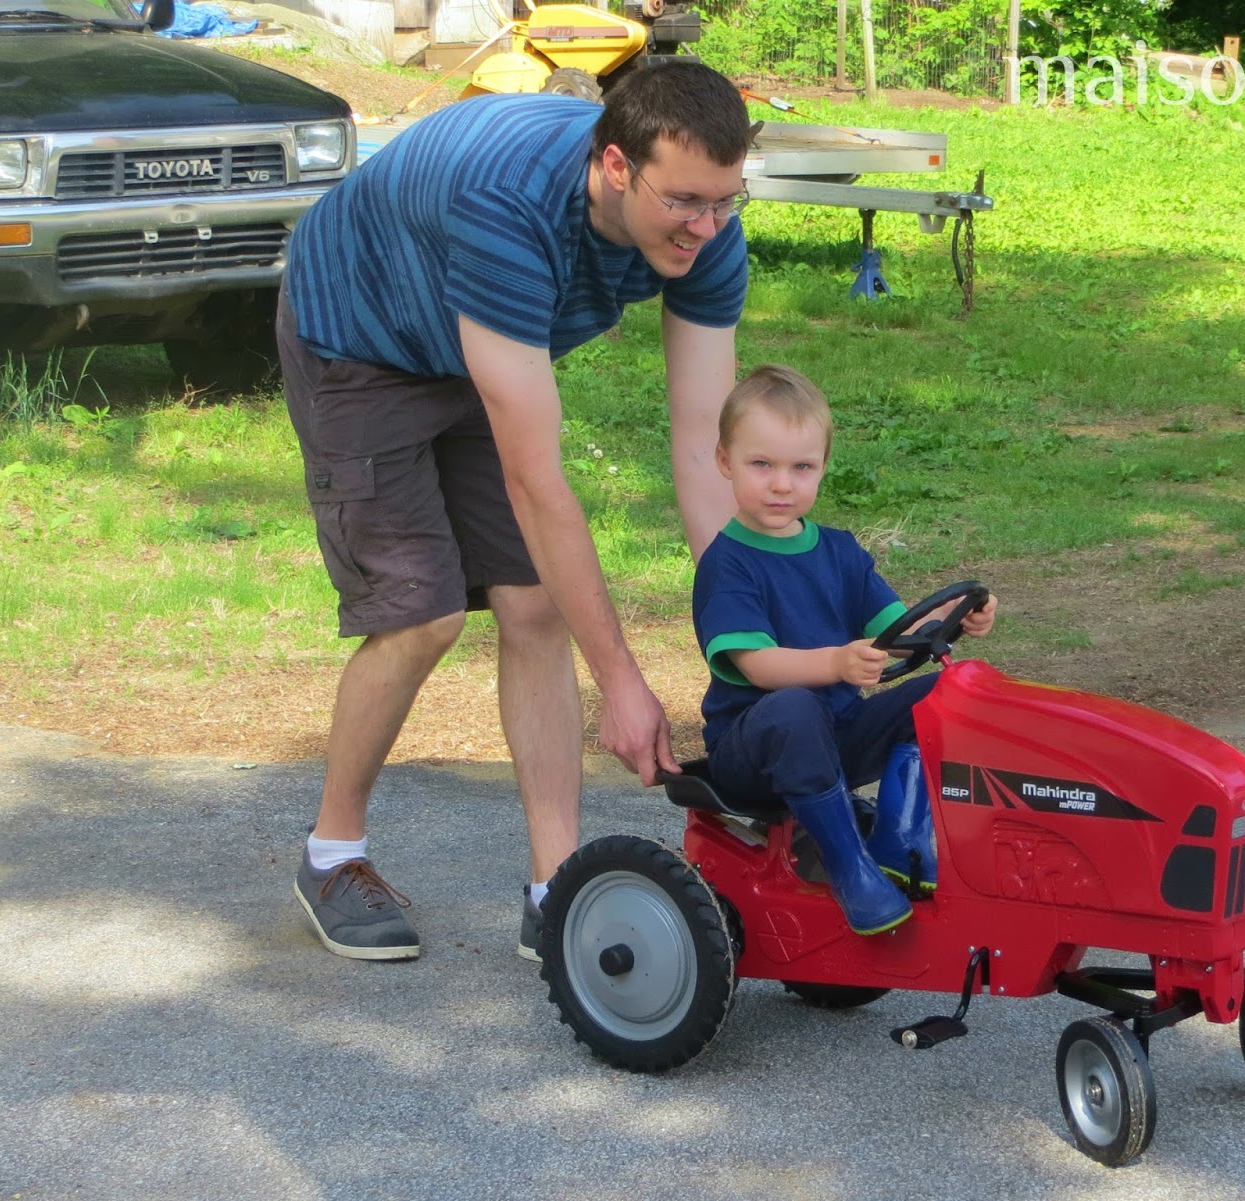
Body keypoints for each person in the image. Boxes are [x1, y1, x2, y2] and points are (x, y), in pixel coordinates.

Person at [280, 62, 755, 963]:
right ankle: (332, 853)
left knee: (534, 603)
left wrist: (746, 628)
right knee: (422, 614)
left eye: (726, 200)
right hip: (360, 335)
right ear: (615, 166)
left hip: (481, 342)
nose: (707, 226)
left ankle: (557, 885)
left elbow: (704, 448)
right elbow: (540, 484)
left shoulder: (709, 232)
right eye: (686, 201)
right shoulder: (511, 212)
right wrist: (619, 679)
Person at [692, 365, 997, 934]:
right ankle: (848, 865)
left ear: (822, 469)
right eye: (763, 464)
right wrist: (834, 662)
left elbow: (897, 622)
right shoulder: (728, 563)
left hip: (838, 733)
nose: (782, 484)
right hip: (753, 751)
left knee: (952, 689)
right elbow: (756, 666)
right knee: (795, 704)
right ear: (725, 462)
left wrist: (957, 615)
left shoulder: (838, 550)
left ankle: (900, 841)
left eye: (801, 467)